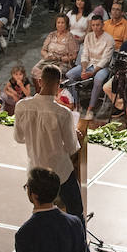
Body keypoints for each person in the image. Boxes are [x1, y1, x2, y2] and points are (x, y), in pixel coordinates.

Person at [13, 63, 86, 221]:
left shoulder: (21, 106)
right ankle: (78, 241)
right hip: (60, 172)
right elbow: (71, 147)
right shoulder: (63, 113)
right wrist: (76, 137)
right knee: (76, 209)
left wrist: (37, 137)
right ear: (58, 84)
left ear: (39, 82)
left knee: (40, 211)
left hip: (35, 170)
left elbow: (19, 138)